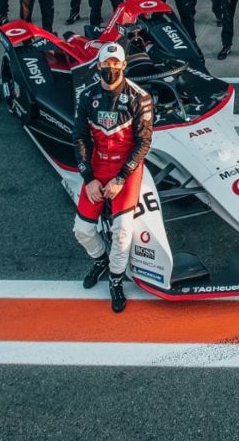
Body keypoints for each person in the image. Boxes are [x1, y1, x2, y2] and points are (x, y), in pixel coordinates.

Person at [72, 42, 153, 313]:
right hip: (98, 166)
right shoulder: (86, 97)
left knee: (122, 233)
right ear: (98, 66)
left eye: (115, 64)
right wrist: (88, 178)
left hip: (126, 170)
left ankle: (116, 281)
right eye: (106, 65)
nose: (111, 69)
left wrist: (120, 178)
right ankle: (101, 261)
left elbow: (143, 143)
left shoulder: (140, 97)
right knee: (82, 230)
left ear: (124, 65)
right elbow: (80, 137)